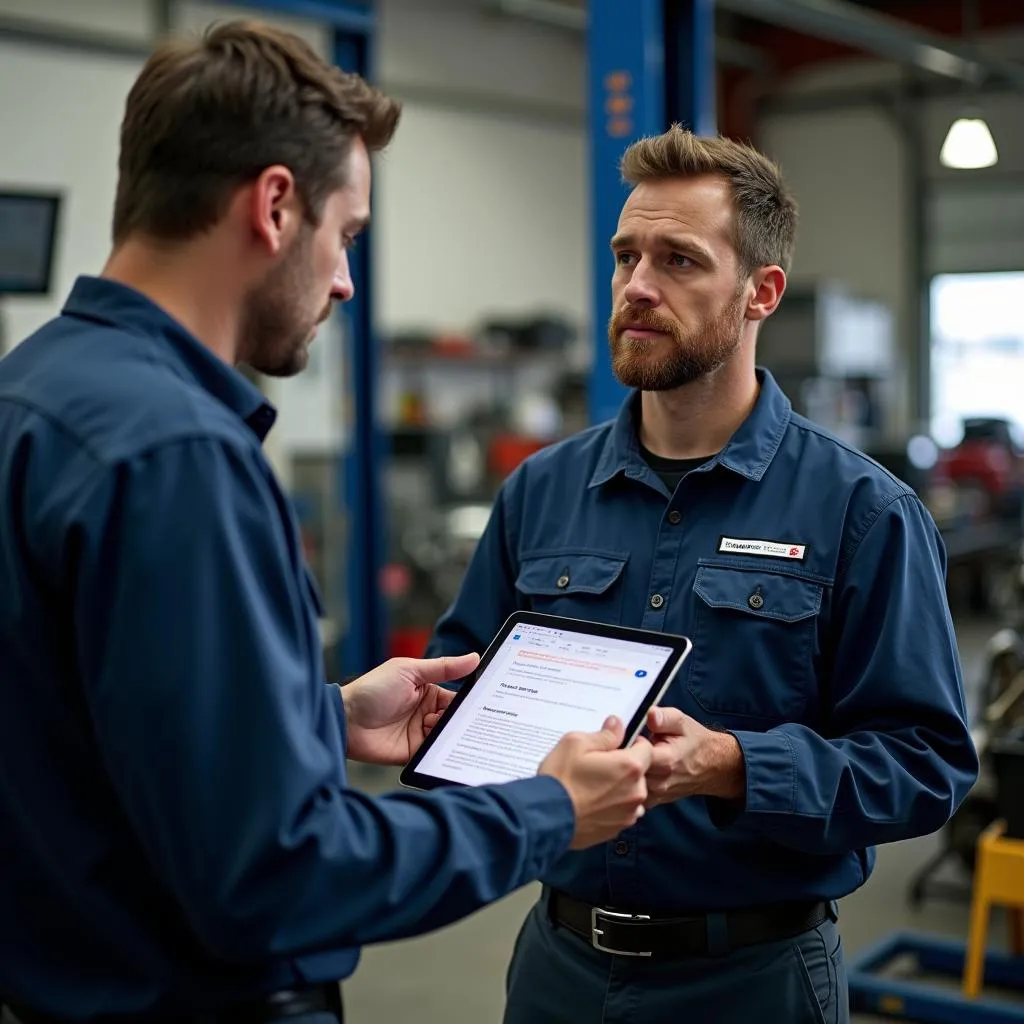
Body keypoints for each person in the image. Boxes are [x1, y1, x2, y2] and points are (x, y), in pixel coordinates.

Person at [0, 21, 656, 1024]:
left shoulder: (34, 393)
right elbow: (278, 873)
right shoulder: (180, 455)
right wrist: (549, 808)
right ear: (272, 205)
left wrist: (324, 716)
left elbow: (88, 727)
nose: (346, 281)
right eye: (345, 236)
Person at [427, 125, 980, 1024]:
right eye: (625, 256)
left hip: (753, 981)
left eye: (679, 260)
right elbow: (459, 694)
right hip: (557, 970)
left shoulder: (862, 514)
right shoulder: (540, 491)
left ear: (761, 292)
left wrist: (735, 766)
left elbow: (926, 766)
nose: (637, 287)